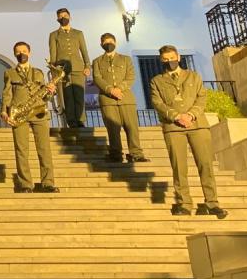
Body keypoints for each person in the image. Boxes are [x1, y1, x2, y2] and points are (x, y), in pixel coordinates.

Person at [150, 46, 227, 218]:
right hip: (173, 127)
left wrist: (191, 115)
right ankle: (184, 203)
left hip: (197, 125)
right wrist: (177, 116)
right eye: (166, 59)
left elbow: (202, 97)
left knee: (205, 164)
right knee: (179, 167)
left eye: (172, 57)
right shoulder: (157, 81)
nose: (170, 61)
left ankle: (212, 202)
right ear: (161, 60)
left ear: (178, 56)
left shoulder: (193, 76)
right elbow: (158, 103)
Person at [0, 42, 59, 194]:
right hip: (19, 114)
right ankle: (26, 184)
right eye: (18, 52)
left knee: (44, 149)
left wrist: (51, 91)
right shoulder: (10, 73)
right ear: (15, 54)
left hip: (39, 113)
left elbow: (45, 96)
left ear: (30, 53)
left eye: (24, 51)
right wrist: (4, 111)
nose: (22, 54)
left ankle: (48, 183)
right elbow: (7, 94)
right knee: (21, 150)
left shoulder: (38, 73)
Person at [91, 33, 146, 163]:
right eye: (105, 42)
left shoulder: (125, 59)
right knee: (112, 129)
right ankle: (115, 154)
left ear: (115, 43)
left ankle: (136, 153)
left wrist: (119, 89)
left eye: (110, 41)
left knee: (131, 127)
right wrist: (110, 90)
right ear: (101, 45)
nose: (108, 44)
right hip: (108, 100)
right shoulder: (97, 61)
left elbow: (131, 76)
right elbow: (97, 78)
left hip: (125, 98)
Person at [48, 8, 90, 129]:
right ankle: (71, 121)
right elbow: (53, 55)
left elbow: (84, 50)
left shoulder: (78, 33)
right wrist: (54, 72)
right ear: (57, 19)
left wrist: (87, 66)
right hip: (62, 70)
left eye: (65, 15)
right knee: (66, 96)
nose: (63, 18)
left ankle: (81, 120)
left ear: (70, 17)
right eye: (60, 16)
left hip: (78, 67)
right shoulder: (54, 35)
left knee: (79, 94)